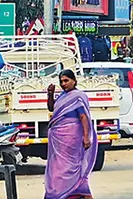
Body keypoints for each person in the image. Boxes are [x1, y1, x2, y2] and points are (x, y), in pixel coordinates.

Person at [45, 69, 97, 199]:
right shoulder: (62, 96)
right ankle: (58, 193)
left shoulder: (78, 96)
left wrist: (86, 137)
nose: (63, 84)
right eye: (61, 81)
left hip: (72, 136)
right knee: (57, 167)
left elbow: (83, 117)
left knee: (70, 166)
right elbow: (52, 108)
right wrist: (50, 95)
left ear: (74, 81)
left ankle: (77, 191)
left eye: (66, 80)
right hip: (58, 138)